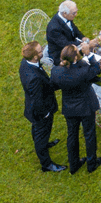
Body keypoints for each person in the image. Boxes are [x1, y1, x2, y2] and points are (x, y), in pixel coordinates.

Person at [52, 44, 101, 174]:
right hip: (86, 106)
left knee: (72, 135)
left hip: (70, 108)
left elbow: (55, 85)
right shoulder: (83, 70)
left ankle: (74, 164)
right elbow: (97, 69)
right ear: (75, 57)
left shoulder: (56, 71)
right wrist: (89, 54)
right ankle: (92, 163)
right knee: (89, 134)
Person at [19, 42, 67, 172]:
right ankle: (46, 164)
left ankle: (45, 144)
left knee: (38, 131)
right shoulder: (33, 78)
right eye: (40, 51)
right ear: (35, 57)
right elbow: (37, 100)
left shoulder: (25, 63)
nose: (43, 51)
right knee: (41, 135)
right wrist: (45, 114)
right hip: (40, 113)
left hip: (35, 108)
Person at [45, 1, 86, 65]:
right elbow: (66, 44)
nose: (76, 14)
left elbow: (74, 29)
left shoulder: (66, 17)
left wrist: (83, 37)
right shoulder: (54, 28)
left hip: (71, 46)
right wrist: (83, 44)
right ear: (64, 13)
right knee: (85, 64)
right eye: (74, 13)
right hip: (61, 55)